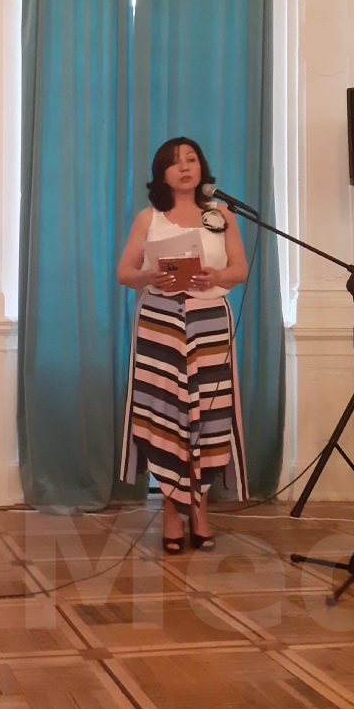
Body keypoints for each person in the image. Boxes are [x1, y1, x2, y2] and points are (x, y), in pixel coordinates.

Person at [116, 138, 249, 554]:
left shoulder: (221, 215)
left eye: (192, 159)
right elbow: (124, 272)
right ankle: (172, 515)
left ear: (201, 166)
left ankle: (201, 512)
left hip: (210, 323)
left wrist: (217, 276)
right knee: (166, 414)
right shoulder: (149, 217)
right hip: (160, 323)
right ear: (162, 173)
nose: (185, 168)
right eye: (175, 163)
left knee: (207, 416)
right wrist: (149, 277)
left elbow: (240, 269)